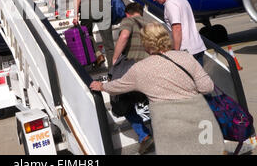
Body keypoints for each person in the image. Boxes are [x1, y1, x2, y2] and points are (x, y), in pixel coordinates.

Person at [90, 22, 225, 155]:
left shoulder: (140, 69)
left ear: (146, 43)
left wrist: (101, 86)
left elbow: (117, 87)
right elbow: (207, 87)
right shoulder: (186, 57)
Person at [110, 2, 153, 154]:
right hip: (152, 68)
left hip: (134, 69)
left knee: (124, 104)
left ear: (128, 13)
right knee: (152, 101)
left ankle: (144, 136)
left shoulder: (128, 21)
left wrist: (115, 59)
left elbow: (124, 35)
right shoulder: (150, 24)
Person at [150, 0, 206, 66]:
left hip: (186, 51)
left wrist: (176, 53)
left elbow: (177, 27)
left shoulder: (170, 4)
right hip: (197, 47)